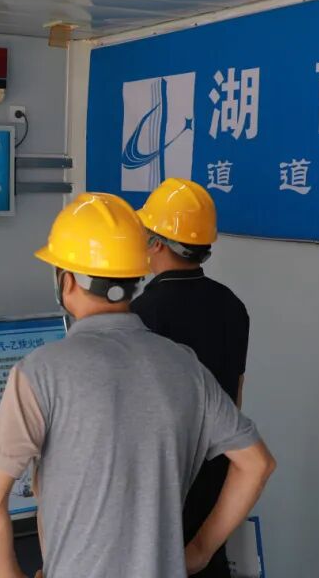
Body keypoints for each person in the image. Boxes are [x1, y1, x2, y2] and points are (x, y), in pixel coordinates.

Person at [0, 193, 275, 578]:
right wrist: (199, 551)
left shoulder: (40, 372)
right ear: (136, 277)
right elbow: (257, 464)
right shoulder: (186, 364)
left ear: (66, 280)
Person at [132, 178, 251, 578]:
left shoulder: (141, 314)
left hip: (159, 479)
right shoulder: (232, 306)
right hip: (216, 470)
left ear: (157, 243)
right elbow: (235, 396)